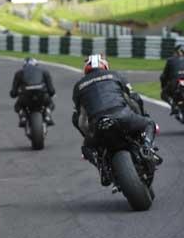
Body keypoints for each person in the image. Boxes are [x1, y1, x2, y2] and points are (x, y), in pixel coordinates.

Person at [72, 54, 157, 185]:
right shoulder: (115, 75)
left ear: (86, 69)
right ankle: (146, 146)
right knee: (149, 123)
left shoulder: (78, 86)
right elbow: (134, 99)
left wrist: (89, 136)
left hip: (98, 123)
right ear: (105, 66)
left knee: (86, 148)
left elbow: (81, 119)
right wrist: (141, 116)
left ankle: (102, 168)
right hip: (122, 116)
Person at [10, 57, 56, 127]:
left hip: (26, 96)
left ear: (24, 65)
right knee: (50, 103)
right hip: (41, 95)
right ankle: (47, 115)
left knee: (18, 106)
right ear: (36, 65)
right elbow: (51, 90)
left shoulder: (19, 73)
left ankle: (23, 117)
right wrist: (51, 94)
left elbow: (13, 93)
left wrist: (15, 93)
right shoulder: (44, 72)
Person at [160, 44, 184, 114]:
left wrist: (163, 86)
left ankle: (173, 104)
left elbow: (164, 76)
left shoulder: (171, 60)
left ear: (176, 52)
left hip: (175, 83)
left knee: (163, 94)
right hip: (178, 85)